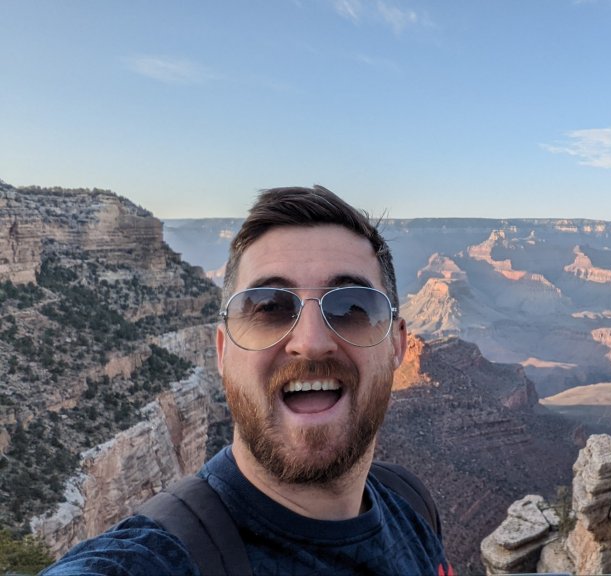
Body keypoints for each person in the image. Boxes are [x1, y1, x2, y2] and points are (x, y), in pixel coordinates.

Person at [43, 186, 450, 575]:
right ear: (222, 351)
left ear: (398, 344)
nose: (310, 343)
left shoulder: (412, 505)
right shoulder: (158, 558)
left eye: (353, 307)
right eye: (269, 307)